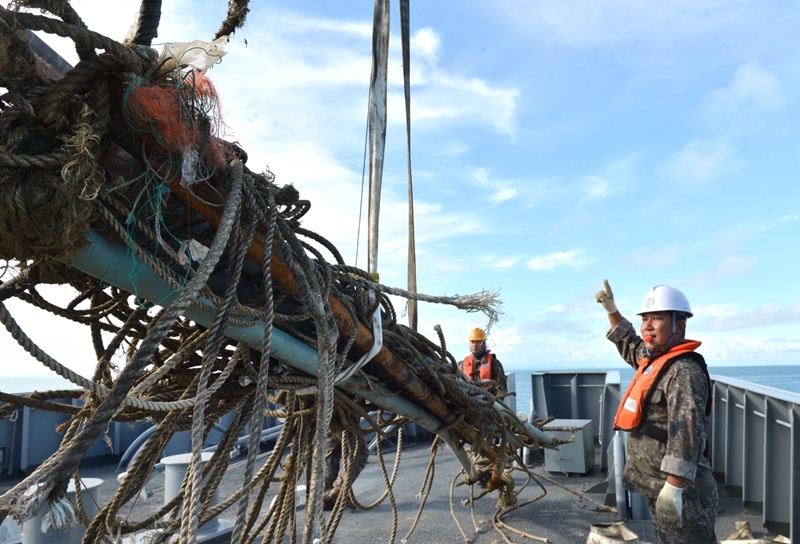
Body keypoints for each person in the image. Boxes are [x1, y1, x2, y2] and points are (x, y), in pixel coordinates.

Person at [595, 280, 718, 544]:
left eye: (657, 318)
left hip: (682, 492)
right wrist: (611, 309)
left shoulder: (683, 372)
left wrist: (674, 487)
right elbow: (630, 344)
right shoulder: (656, 360)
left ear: (679, 326)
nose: (648, 325)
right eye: (645, 319)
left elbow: (687, 436)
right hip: (659, 484)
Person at [322, 427, 368, 511]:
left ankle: (326, 499)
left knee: (330, 456)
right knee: (361, 454)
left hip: (327, 425)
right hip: (345, 426)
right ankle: (339, 489)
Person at [460, 327, 507, 394]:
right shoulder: (463, 365)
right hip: (468, 402)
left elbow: (501, 390)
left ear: (484, 343)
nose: (475, 345)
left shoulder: (494, 363)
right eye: (472, 342)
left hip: (488, 401)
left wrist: (492, 403)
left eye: (478, 342)